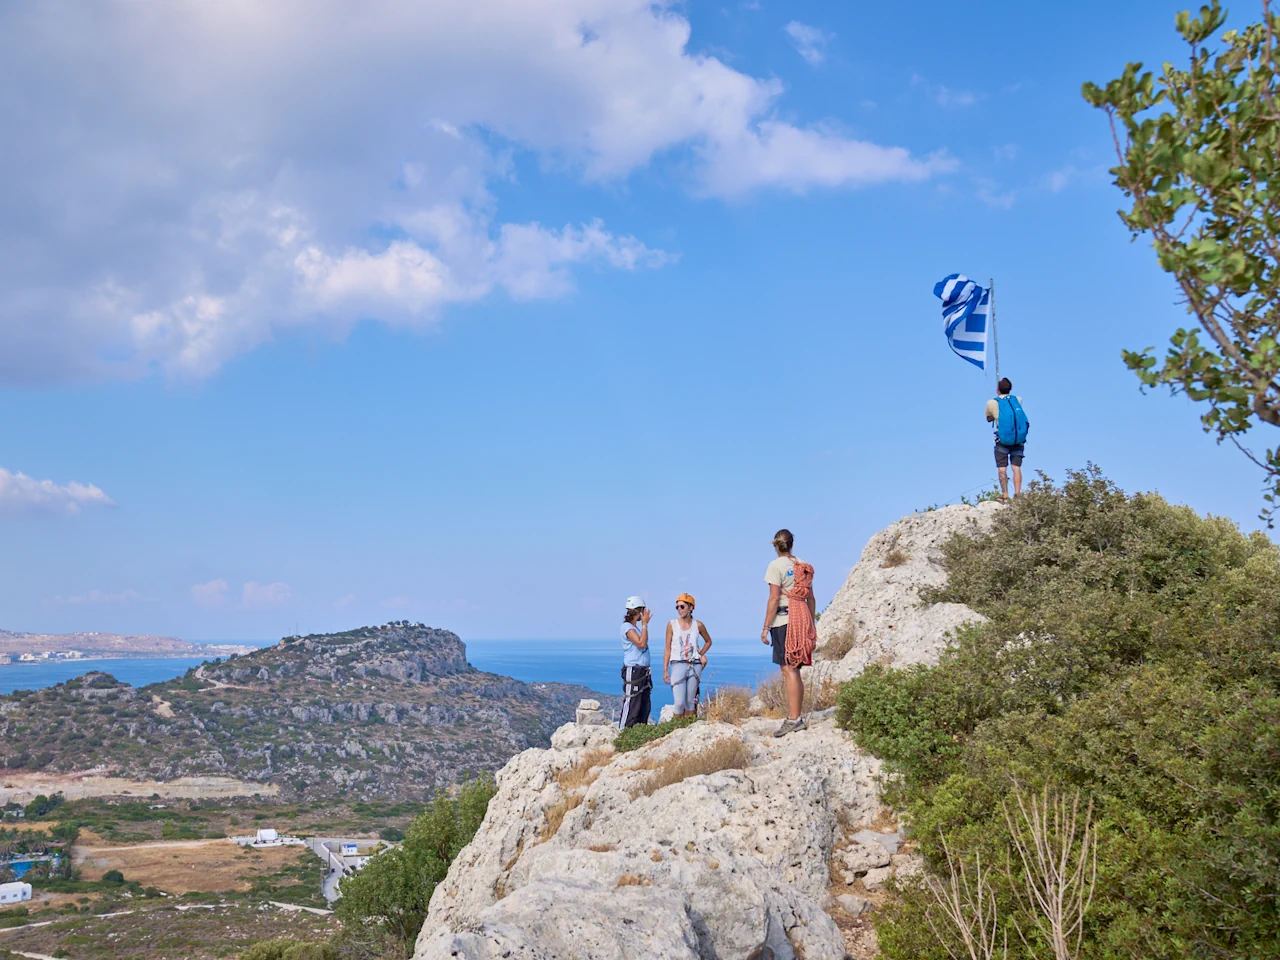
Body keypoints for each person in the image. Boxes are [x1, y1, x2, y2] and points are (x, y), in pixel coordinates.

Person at [760, 529, 817, 738]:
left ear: (775, 546)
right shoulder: (802, 564)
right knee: (795, 669)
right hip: (801, 618)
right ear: (791, 544)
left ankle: (794, 719)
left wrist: (766, 627)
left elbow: (774, 599)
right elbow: (810, 598)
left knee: (789, 670)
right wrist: (811, 624)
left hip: (784, 621)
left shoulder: (775, 566)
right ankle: (796, 715)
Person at [663, 593, 712, 719]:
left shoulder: (698, 625)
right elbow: (667, 648)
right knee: (679, 703)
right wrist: (665, 670)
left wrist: (700, 654)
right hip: (677, 664)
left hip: (694, 665)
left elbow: (708, 641)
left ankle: (688, 729)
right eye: (677, 607)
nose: (679, 609)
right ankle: (676, 730)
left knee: (690, 703)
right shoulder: (671, 624)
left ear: (691, 607)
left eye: (682, 606)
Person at [985, 377, 1030, 501]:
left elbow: (989, 419)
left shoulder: (992, 403)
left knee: (1002, 468)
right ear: (1010, 389)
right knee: (1016, 468)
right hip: (1018, 439)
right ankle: (1017, 494)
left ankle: (1005, 495)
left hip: (1003, 441)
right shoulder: (1018, 399)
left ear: (997, 389)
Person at [619, 596, 653, 729]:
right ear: (638, 611)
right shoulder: (626, 627)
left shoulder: (635, 628)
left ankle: (639, 732)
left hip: (643, 671)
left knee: (643, 705)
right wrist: (645, 624)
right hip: (633, 670)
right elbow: (641, 643)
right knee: (632, 702)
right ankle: (623, 733)